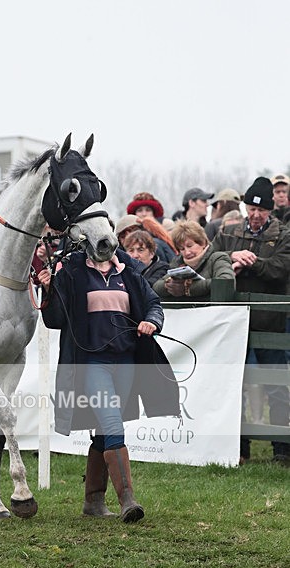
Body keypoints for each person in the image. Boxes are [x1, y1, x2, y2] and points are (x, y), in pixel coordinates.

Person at [37, 247, 180, 523]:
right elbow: (54, 319)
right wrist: (48, 290)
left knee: (106, 428)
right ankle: (128, 500)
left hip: (126, 360)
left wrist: (151, 322)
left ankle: (93, 501)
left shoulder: (129, 271)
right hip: (91, 362)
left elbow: (153, 304)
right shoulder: (73, 272)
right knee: (113, 423)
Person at [212, 176, 290, 464]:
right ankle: (238, 446)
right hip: (235, 320)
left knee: (276, 384)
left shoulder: (283, 235)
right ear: (245, 207)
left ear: (270, 210)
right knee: (236, 384)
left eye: (262, 210)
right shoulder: (228, 232)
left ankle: (281, 448)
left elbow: (280, 268)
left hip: (270, 321)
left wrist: (251, 261)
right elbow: (211, 257)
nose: (256, 215)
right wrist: (231, 255)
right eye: (252, 209)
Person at [152, 221, 234, 302]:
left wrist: (188, 288)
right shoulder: (178, 263)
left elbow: (226, 282)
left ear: (203, 243)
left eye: (190, 246)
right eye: (182, 249)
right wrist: (169, 285)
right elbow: (156, 286)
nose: (187, 252)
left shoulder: (218, 258)